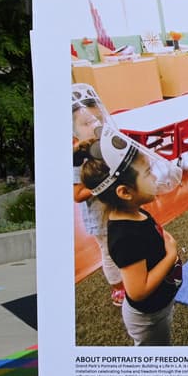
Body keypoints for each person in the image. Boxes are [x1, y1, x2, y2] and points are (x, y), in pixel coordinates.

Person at [81, 127, 182, 346]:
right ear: (125, 192)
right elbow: (138, 291)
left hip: (160, 304)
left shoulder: (136, 211)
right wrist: (170, 255)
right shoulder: (125, 237)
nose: (155, 176)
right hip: (148, 318)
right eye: (147, 173)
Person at [71, 88, 124, 305]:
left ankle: (130, 277)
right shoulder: (79, 160)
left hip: (117, 209)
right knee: (109, 252)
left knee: (123, 246)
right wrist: (99, 185)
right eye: (86, 123)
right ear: (73, 131)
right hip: (99, 217)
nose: (94, 126)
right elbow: (77, 195)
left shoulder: (105, 148)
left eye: (98, 120)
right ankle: (117, 287)